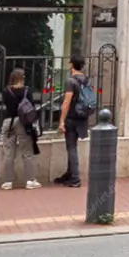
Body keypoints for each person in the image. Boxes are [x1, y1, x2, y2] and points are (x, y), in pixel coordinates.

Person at [0, 68, 41, 191]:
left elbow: (7, 104)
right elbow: (31, 107)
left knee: (8, 152)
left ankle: (7, 182)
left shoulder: (6, 91)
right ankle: (30, 180)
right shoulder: (27, 91)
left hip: (8, 122)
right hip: (23, 122)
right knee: (27, 151)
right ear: (21, 78)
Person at [53, 56, 90, 187]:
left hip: (72, 117)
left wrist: (61, 121)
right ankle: (70, 173)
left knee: (71, 147)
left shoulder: (71, 81)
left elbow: (67, 101)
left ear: (71, 65)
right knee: (73, 146)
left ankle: (75, 178)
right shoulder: (85, 80)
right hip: (82, 117)